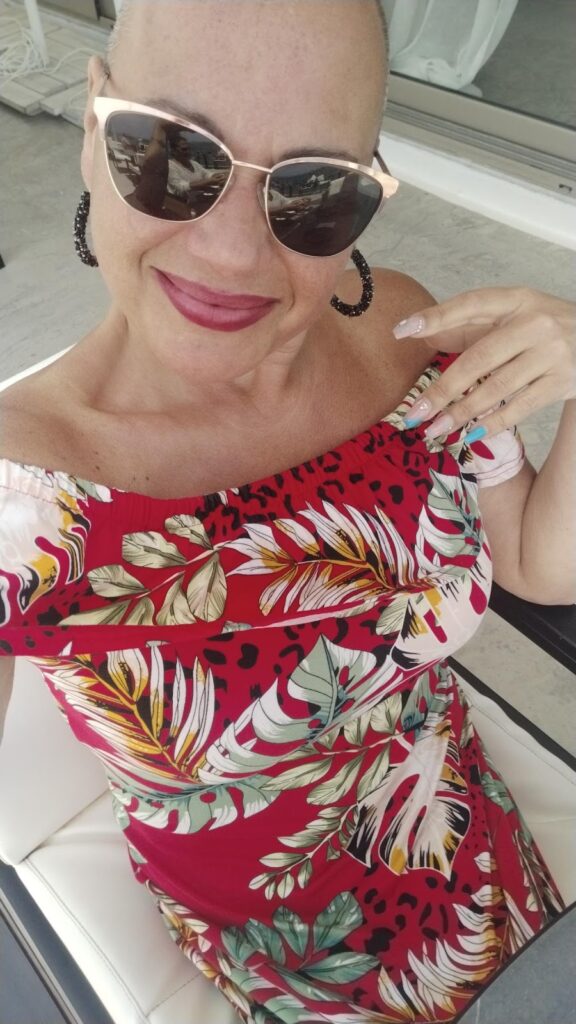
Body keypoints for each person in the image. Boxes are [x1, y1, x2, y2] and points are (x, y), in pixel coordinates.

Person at [0, 1, 574, 1020]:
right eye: (171, 155)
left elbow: (536, 560)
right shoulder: (22, 504)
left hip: (484, 859)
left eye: (312, 190)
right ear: (91, 125)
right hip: (300, 967)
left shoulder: (403, 333)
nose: (232, 252)